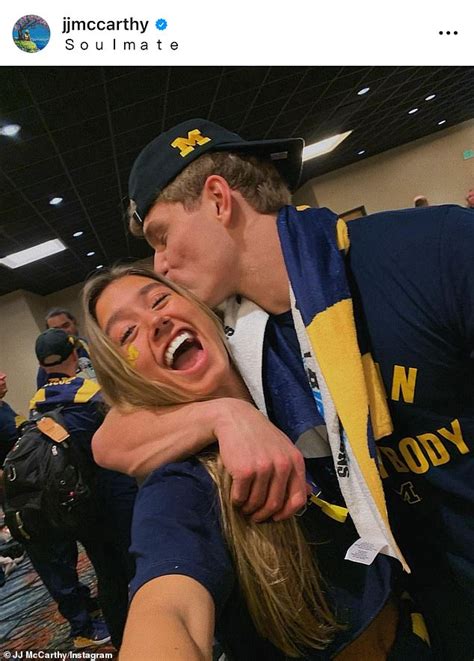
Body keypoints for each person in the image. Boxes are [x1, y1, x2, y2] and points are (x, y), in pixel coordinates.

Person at [93, 119, 474, 660]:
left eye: (161, 236)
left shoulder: (432, 250)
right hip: (437, 607)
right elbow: (109, 440)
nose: (161, 266)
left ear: (219, 200)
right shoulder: (243, 345)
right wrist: (227, 417)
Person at [83, 266, 432, 660]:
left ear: (201, 308)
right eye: (127, 333)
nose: (156, 321)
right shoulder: (183, 483)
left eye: (160, 300)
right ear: (125, 376)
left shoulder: (292, 373)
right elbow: (167, 608)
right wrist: (227, 415)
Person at [28, 328, 136, 649]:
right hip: (117, 500)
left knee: (108, 576)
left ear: (43, 366)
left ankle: (121, 639)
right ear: (75, 354)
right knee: (140, 569)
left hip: (78, 507)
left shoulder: (36, 406)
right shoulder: (93, 395)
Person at [36, 308, 95, 387]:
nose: (63, 332)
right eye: (57, 329)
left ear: (74, 323)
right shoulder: (49, 364)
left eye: (66, 326)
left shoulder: (95, 347)